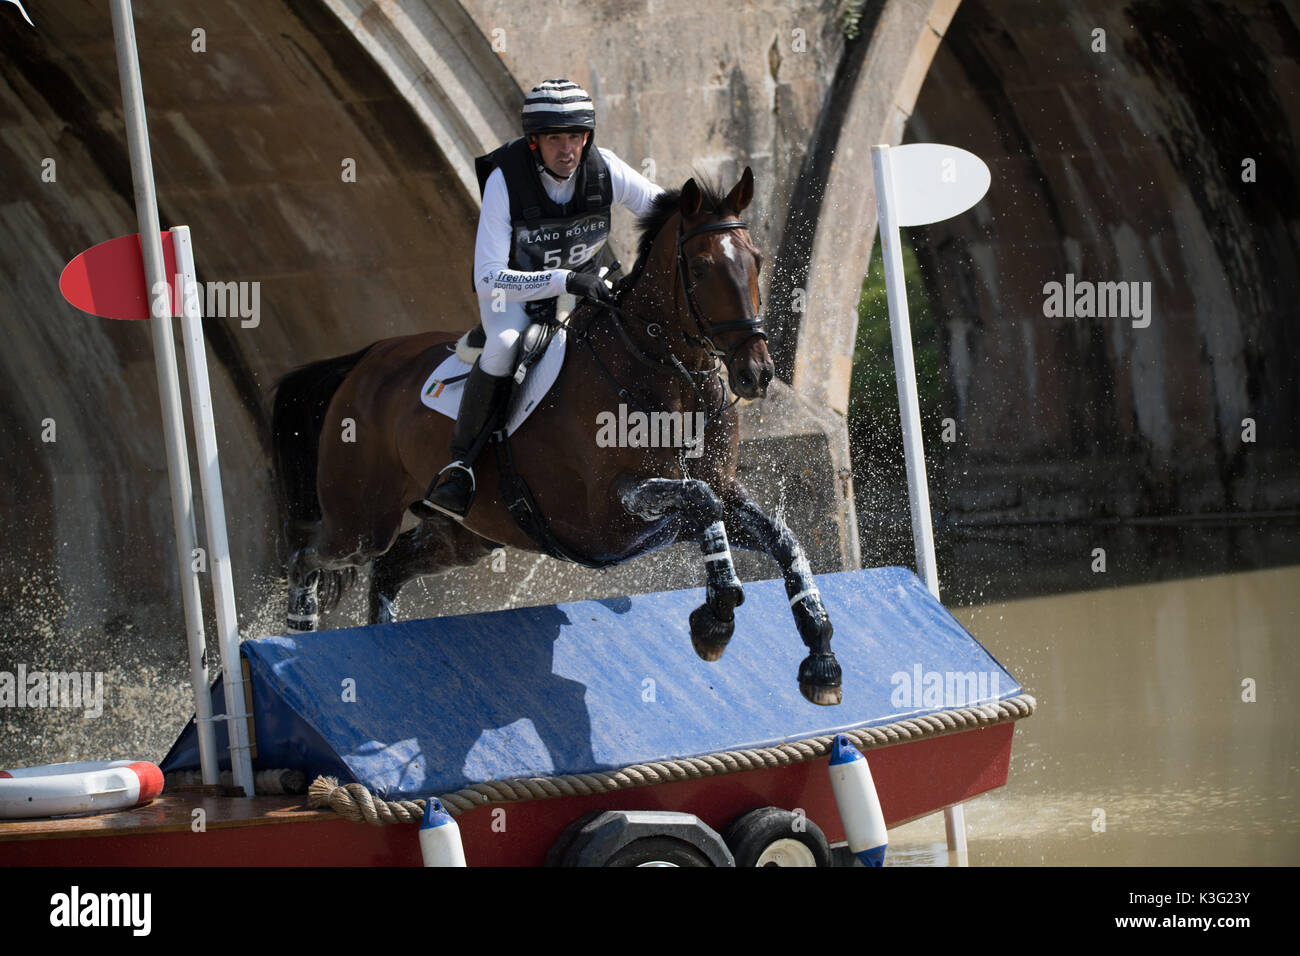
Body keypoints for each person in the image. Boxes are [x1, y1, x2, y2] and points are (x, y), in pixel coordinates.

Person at [413, 79, 665, 521]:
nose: (566, 149)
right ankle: (460, 466)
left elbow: (664, 212)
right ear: (534, 143)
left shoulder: (605, 168)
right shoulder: (504, 181)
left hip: (585, 288)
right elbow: (489, 277)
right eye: (554, 138)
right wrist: (563, 280)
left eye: (575, 137)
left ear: (587, 137)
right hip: (513, 297)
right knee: (505, 344)